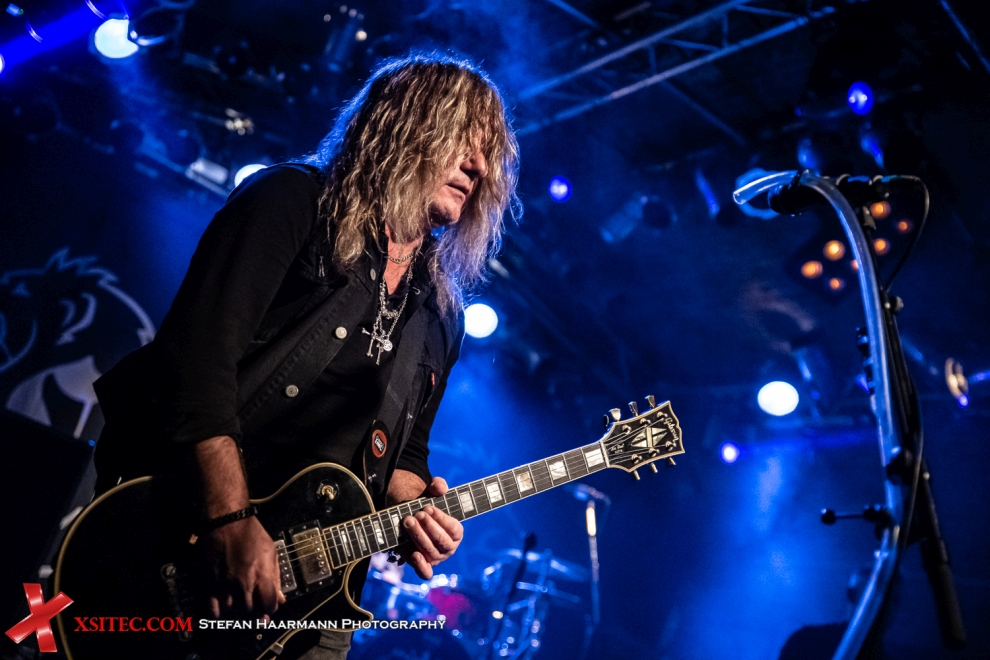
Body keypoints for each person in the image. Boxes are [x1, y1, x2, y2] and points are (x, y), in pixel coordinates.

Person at [91, 53, 520, 659]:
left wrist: (417, 507)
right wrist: (228, 520)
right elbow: (194, 365)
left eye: (488, 154)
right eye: (462, 140)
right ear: (406, 127)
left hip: (317, 603)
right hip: (180, 538)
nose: (478, 166)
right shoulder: (292, 203)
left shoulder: (441, 311)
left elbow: (404, 455)